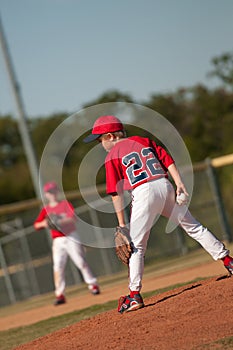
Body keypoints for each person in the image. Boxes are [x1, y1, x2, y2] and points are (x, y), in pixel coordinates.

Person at [83, 115, 233, 314]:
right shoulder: (143, 141)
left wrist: (121, 224)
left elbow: (116, 193)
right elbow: (167, 160)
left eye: (100, 139)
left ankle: (134, 295)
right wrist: (179, 183)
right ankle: (228, 262)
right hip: (164, 185)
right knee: (193, 226)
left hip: (143, 192)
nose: (100, 144)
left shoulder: (111, 156)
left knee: (136, 246)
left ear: (110, 136)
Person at [34, 181, 100, 305]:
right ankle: (60, 294)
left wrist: (58, 221)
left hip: (71, 236)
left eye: (53, 191)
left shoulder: (65, 204)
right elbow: (36, 225)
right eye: (49, 192)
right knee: (58, 266)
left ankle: (93, 285)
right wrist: (46, 223)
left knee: (80, 262)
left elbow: (72, 218)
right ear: (46, 195)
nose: (52, 194)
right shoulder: (46, 209)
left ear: (57, 192)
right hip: (57, 240)